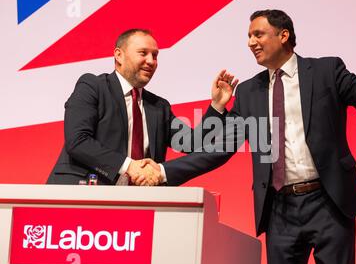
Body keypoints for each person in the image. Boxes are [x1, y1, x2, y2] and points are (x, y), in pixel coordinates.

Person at [144, 9, 356, 264]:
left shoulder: (326, 70)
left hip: (328, 201)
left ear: (283, 36)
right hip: (280, 208)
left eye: (258, 34)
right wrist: (164, 171)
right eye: (248, 36)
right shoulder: (248, 92)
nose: (250, 42)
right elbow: (217, 148)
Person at [47, 28, 237, 186]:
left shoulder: (158, 106)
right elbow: (78, 141)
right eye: (143, 53)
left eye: (155, 55)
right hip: (80, 197)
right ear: (118, 55)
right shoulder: (93, 86)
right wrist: (129, 166)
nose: (151, 61)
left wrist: (217, 105)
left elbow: (193, 144)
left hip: (137, 206)